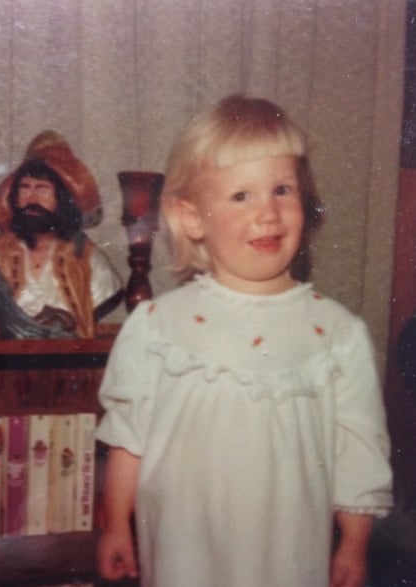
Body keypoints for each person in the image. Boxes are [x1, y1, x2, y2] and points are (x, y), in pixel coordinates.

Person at [95, 95, 393, 587]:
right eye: (241, 196)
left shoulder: (336, 333)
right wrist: (114, 525)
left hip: (288, 555)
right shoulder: (157, 325)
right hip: (180, 552)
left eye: (282, 189)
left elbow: (358, 450)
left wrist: (354, 545)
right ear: (192, 219)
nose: (269, 214)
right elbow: (128, 438)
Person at [0, 130, 123, 339]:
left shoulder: (88, 257)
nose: (31, 198)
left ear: (62, 199)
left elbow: (105, 292)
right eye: (24, 189)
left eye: (42, 190)